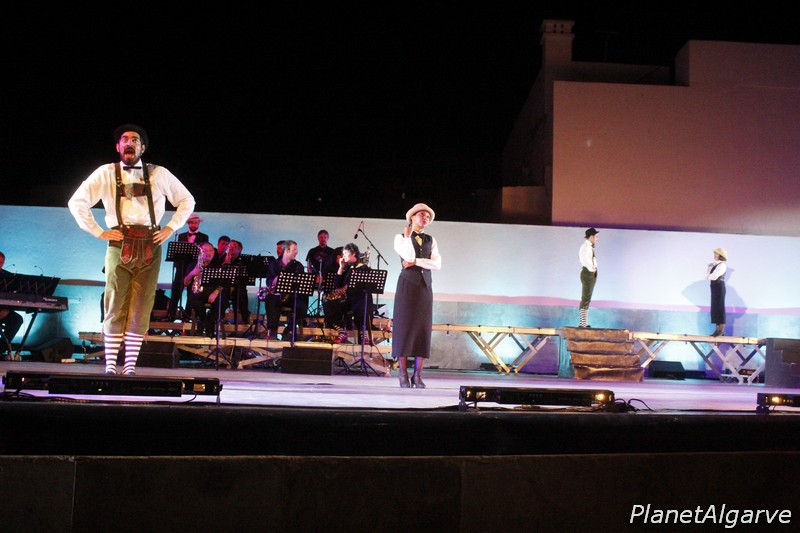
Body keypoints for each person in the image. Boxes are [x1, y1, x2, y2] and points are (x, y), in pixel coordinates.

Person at [68, 124, 195, 375]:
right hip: (119, 242)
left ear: (142, 148)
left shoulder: (159, 173)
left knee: (142, 303)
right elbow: (77, 202)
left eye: (135, 140)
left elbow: (186, 200)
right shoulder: (106, 173)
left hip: (150, 243)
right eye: (125, 139)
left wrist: (170, 227)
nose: (129, 143)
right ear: (118, 146)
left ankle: (129, 366)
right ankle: (110, 366)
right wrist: (99, 231)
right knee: (114, 300)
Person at [392, 203, 441, 388]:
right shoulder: (400, 237)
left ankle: (417, 375)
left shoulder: (431, 239)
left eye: (427, 216)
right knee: (403, 328)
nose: (425, 218)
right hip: (407, 286)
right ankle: (403, 374)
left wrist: (416, 262)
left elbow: (437, 264)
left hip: (424, 287)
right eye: (421, 215)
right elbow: (408, 255)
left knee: (423, 328)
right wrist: (407, 238)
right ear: (412, 217)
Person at [322, 243, 372, 344]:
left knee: (360, 305)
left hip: (359, 299)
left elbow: (362, 287)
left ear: (353, 253)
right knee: (328, 304)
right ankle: (341, 331)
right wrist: (341, 267)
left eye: (345, 253)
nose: (343, 256)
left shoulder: (363, 268)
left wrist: (346, 288)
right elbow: (337, 284)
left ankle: (363, 333)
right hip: (348, 300)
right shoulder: (348, 268)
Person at [167, 213, 209, 320]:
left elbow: (204, 253)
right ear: (188, 223)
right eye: (192, 222)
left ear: (198, 223)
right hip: (181, 267)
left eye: (196, 222)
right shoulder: (181, 236)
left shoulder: (204, 237)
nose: (194, 224)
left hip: (194, 268)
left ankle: (187, 315)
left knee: (191, 292)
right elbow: (177, 253)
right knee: (176, 291)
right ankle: (171, 314)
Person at [264, 240, 308, 341]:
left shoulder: (298, 266)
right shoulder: (274, 265)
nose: (296, 252)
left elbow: (301, 285)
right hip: (277, 296)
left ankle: (289, 329)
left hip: (292, 297)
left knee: (302, 306)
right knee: (270, 299)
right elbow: (268, 281)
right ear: (287, 250)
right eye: (294, 250)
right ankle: (272, 331)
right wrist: (274, 281)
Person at [183, 242, 223, 337]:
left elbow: (223, 283)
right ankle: (206, 323)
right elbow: (185, 283)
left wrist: (215, 292)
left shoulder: (218, 265)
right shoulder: (193, 265)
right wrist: (192, 273)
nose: (208, 253)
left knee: (222, 303)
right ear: (200, 253)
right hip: (199, 293)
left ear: (214, 252)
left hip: (214, 293)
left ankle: (206, 323)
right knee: (193, 300)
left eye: (210, 250)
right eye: (205, 251)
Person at [221, 239, 251, 325]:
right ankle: (220, 317)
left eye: (234, 246)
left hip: (239, 286)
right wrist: (226, 262)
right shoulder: (224, 257)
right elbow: (220, 274)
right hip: (226, 286)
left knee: (241, 292)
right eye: (230, 246)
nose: (231, 248)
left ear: (239, 249)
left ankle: (244, 318)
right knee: (222, 293)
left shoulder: (244, 260)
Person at [0, 251, 24, 358]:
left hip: (2, 309)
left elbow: (11, 296)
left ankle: (1, 348)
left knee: (17, 319)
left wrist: (7, 309)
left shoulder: (7, 277)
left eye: (1, 263)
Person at [578, 228, 599, 328]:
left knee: (587, 298)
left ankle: (584, 323)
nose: (597, 239)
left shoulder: (588, 247)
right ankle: (582, 324)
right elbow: (586, 259)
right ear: (591, 237)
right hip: (588, 273)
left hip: (589, 273)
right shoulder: (586, 247)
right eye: (596, 236)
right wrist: (592, 269)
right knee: (586, 298)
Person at [706, 247, 728, 337]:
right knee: (715, 307)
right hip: (714, 287)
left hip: (719, 286)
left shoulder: (722, 265)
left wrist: (709, 276)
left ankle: (721, 330)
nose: (715, 255)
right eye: (715, 253)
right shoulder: (715, 265)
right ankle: (717, 329)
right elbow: (707, 276)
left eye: (716, 253)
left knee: (719, 307)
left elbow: (714, 276)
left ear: (720, 255)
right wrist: (709, 268)